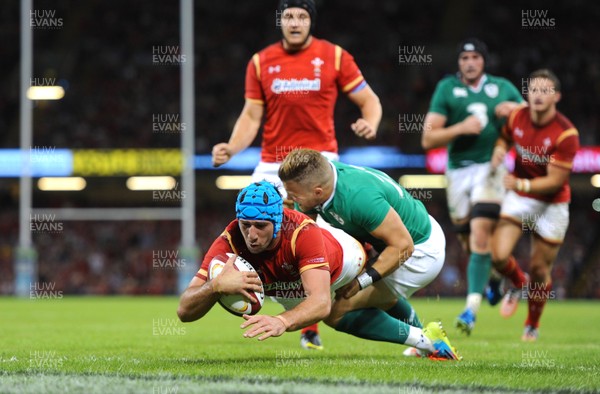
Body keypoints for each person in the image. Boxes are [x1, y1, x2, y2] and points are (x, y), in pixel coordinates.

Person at [212, 0, 382, 350]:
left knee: (318, 238)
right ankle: (295, 314)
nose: (294, 22)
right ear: (280, 21)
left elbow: (370, 100)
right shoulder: (261, 61)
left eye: (301, 16)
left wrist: (371, 122)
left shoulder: (335, 56)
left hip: (319, 162)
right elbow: (251, 115)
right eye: (288, 15)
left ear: (310, 22)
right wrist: (232, 146)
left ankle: (325, 304)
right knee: (258, 232)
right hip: (272, 164)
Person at [177, 181, 460, 361]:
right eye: (245, 224)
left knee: (336, 314)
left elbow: (321, 303)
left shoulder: (302, 232)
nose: (251, 234)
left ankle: (425, 340)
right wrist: (214, 287)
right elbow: (184, 311)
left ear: (277, 222)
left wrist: (282, 322)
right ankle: (426, 339)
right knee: (329, 306)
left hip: (345, 260)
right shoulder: (229, 242)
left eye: (260, 226)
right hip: (290, 284)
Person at [278, 149, 460, 359]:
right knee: (383, 296)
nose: (290, 199)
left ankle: (429, 343)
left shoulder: (358, 198)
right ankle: (424, 344)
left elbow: (403, 246)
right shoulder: (326, 178)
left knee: (334, 311)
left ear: (318, 192)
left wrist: (361, 282)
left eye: (294, 195)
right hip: (408, 235)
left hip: (418, 253)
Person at [420, 38, 525, 335]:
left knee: (481, 236)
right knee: (470, 245)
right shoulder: (446, 89)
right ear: (459, 62)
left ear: (483, 61)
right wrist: (460, 128)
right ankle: (497, 280)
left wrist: (518, 111)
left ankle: (470, 311)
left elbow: (532, 121)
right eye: (465, 57)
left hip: (491, 171)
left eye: (476, 57)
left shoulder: (502, 88)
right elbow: (428, 139)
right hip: (457, 174)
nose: (470, 62)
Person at [490, 69, 579, 341]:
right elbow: (505, 135)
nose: (538, 95)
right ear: (527, 94)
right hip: (520, 198)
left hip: (551, 204)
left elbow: (555, 182)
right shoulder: (517, 115)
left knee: (541, 270)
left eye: (545, 90)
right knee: (498, 255)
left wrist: (521, 185)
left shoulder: (566, 134)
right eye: (534, 90)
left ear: (557, 96)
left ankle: (532, 323)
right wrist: (499, 149)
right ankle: (518, 283)